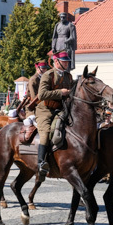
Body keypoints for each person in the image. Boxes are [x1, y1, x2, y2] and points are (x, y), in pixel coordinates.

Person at [36, 50, 73, 182]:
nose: (67, 63)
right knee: (46, 133)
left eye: (68, 61)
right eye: (65, 61)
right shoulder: (48, 75)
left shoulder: (69, 76)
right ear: (56, 62)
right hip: (46, 109)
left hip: (62, 109)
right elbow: (41, 95)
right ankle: (41, 163)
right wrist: (60, 92)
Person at [24, 60, 48, 127]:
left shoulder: (44, 78)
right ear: (37, 68)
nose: (45, 70)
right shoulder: (33, 79)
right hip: (33, 107)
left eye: (46, 68)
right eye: (43, 68)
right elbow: (34, 97)